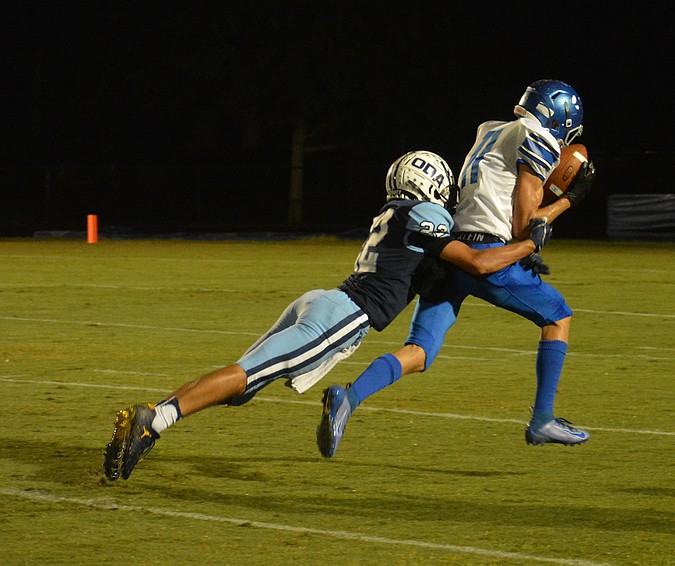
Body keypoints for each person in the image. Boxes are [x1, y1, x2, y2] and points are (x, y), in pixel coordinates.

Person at [103, 150, 553, 480]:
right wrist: (531, 240)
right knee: (245, 376)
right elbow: (477, 263)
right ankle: (154, 420)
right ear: (434, 186)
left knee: (244, 387)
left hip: (323, 299)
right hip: (340, 315)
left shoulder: (394, 210)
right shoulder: (427, 213)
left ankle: (156, 418)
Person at [317, 80, 596, 458]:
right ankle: (543, 419)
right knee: (558, 317)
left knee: (419, 352)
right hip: (487, 253)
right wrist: (570, 200)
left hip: (451, 250)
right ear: (561, 119)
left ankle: (348, 396)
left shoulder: (490, 130)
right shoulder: (538, 137)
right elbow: (523, 225)